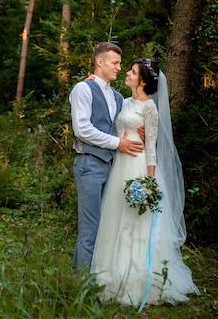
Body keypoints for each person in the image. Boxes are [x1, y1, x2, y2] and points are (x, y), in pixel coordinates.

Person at [90, 58, 199, 311]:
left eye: (133, 71)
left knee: (136, 221)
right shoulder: (124, 101)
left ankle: (137, 280)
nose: (127, 73)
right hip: (120, 164)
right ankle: (111, 276)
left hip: (138, 166)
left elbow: (151, 146)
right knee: (116, 218)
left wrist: (149, 181)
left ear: (143, 81)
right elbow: (114, 128)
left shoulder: (150, 108)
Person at [69, 42, 145, 274]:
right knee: (90, 228)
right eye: (115, 63)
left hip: (113, 167)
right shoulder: (83, 89)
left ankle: (99, 279)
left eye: (121, 64)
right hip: (89, 165)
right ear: (99, 62)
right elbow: (82, 129)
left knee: (107, 227)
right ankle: (82, 285)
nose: (119, 68)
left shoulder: (118, 97)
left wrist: (141, 130)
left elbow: (131, 115)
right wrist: (118, 143)